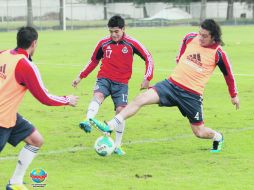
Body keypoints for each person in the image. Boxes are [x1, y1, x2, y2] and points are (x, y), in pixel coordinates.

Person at [90, 19, 240, 153]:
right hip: (171, 85)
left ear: (213, 36)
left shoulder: (219, 54)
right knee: (140, 99)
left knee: (199, 132)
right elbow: (180, 55)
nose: (200, 37)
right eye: (199, 33)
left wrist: (234, 96)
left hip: (191, 96)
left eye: (204, 36)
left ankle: (218, 137)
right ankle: (110, 125)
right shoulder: (189, 38)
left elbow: (229, 75)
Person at [0, 26, 79, 190]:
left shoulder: (3, 54)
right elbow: (44, 98)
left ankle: (15, 182)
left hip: (10, 116)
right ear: (34, 43)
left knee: (36, 140)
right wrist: (67, 100)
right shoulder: (25, 65)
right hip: (2, 119)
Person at [72, 15, 154, 155]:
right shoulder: (104, 43)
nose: (113, 35)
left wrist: (147, 77)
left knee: (121, 111)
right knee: (98, 95)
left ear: (123, 29)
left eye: (116, 31)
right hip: (104, 78)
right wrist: (80, 77)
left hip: (122, 84)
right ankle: (87, 120)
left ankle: (117, 145)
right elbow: (93, 61)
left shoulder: (132, 43)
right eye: (111, 31)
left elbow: (148, 58)